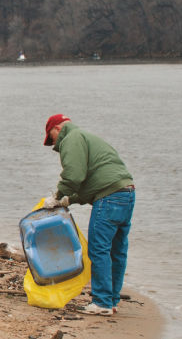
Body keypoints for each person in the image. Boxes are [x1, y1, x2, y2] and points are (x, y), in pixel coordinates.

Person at [42, 114, 135, 317]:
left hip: (108, 198)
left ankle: (101, 302)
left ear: (57, 128)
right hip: (126, 192)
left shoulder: (71, 139)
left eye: (52, 138)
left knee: (99, 249)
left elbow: (74, 176)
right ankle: (111, 301)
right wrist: (69, 200)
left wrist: (57, 195)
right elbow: (91, 181)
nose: (54, 144)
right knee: (117, 251)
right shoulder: (87, 137)